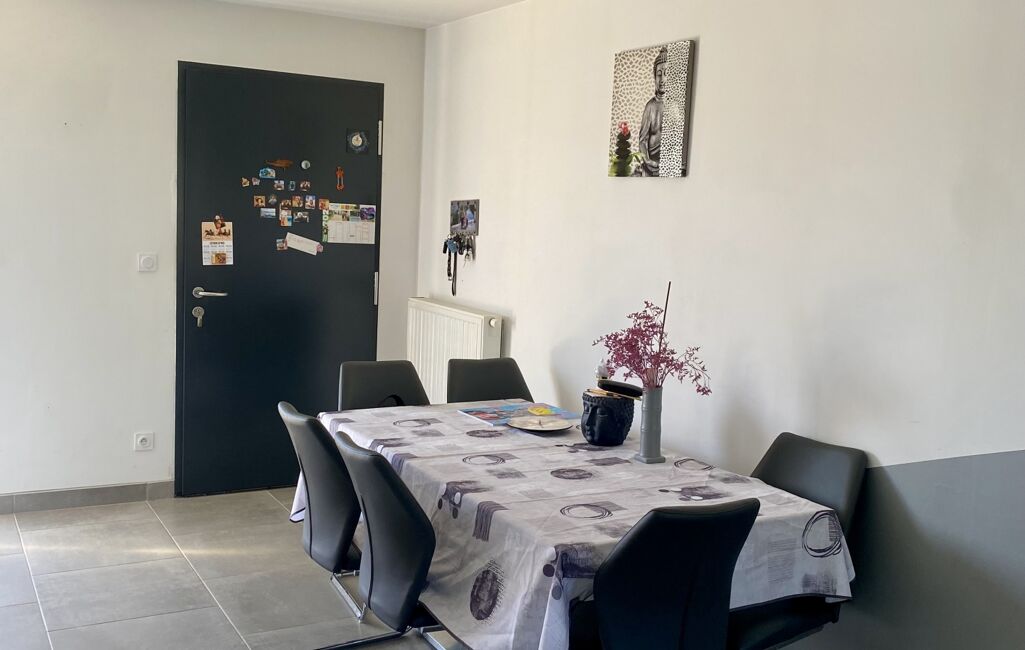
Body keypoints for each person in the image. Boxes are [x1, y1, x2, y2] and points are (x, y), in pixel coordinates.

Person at [639, 46, 669, 177]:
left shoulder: (675, 106)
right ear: (654, 77)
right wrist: (647, 159)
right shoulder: (650, 106)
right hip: (651, 164)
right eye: (659, 74)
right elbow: (642, 140)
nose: (662, 79)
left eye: (666, 73)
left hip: (668, 163)